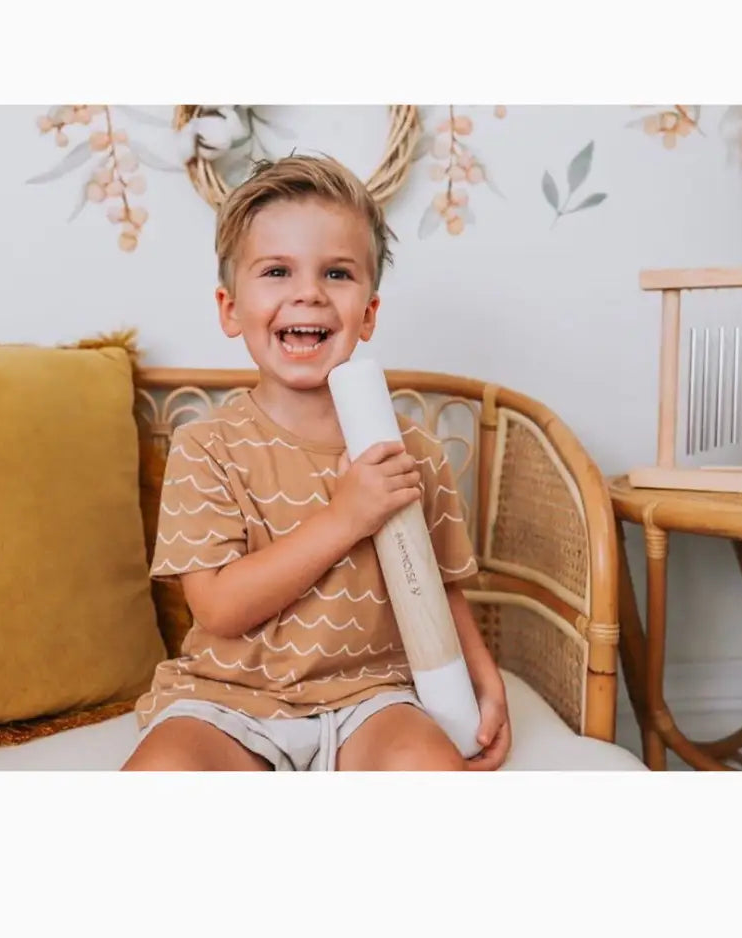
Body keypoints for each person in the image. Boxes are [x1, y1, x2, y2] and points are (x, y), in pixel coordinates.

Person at [121, 154, 510, 772]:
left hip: (372, 697)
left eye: (336, 273)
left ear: (369, 313)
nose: (308, 293)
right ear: (229, 308)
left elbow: (437, 589)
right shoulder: (206, 448)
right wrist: (345, 517)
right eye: (277, 271)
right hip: (227, 700)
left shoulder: (412, 453)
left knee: (430, 770)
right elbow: (218, 609)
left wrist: (486, 683)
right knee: (161, 774)